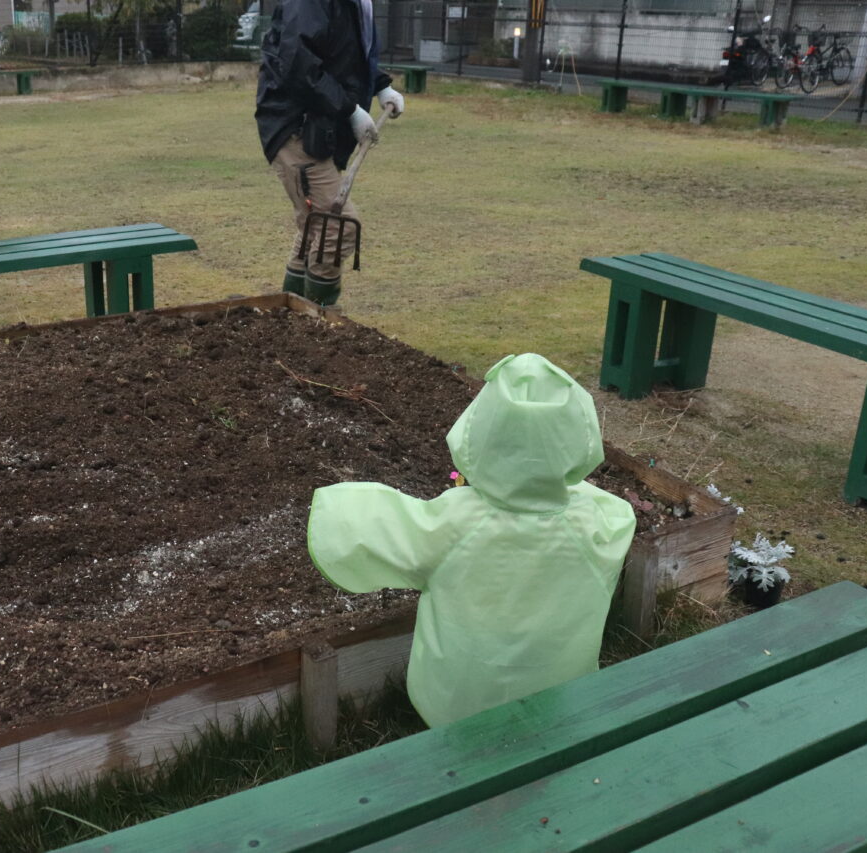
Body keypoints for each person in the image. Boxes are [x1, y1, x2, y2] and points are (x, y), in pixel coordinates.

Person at [306, 354, 636, 726]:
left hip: (456, 707)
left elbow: (364, 531)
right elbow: (606, 505)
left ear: (479, 433)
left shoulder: (455, 522)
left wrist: (333, 505)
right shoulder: (601, 523)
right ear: (579, 439)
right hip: (560, 698)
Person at [255, 0, 405, 307]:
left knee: (315, 225)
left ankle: (291, 314)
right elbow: (298, 61)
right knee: (337, 226)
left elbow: (346, 53)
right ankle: (320, 321)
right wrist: (349, 110)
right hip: (295, 126)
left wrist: (380, 86)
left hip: (317, 127)